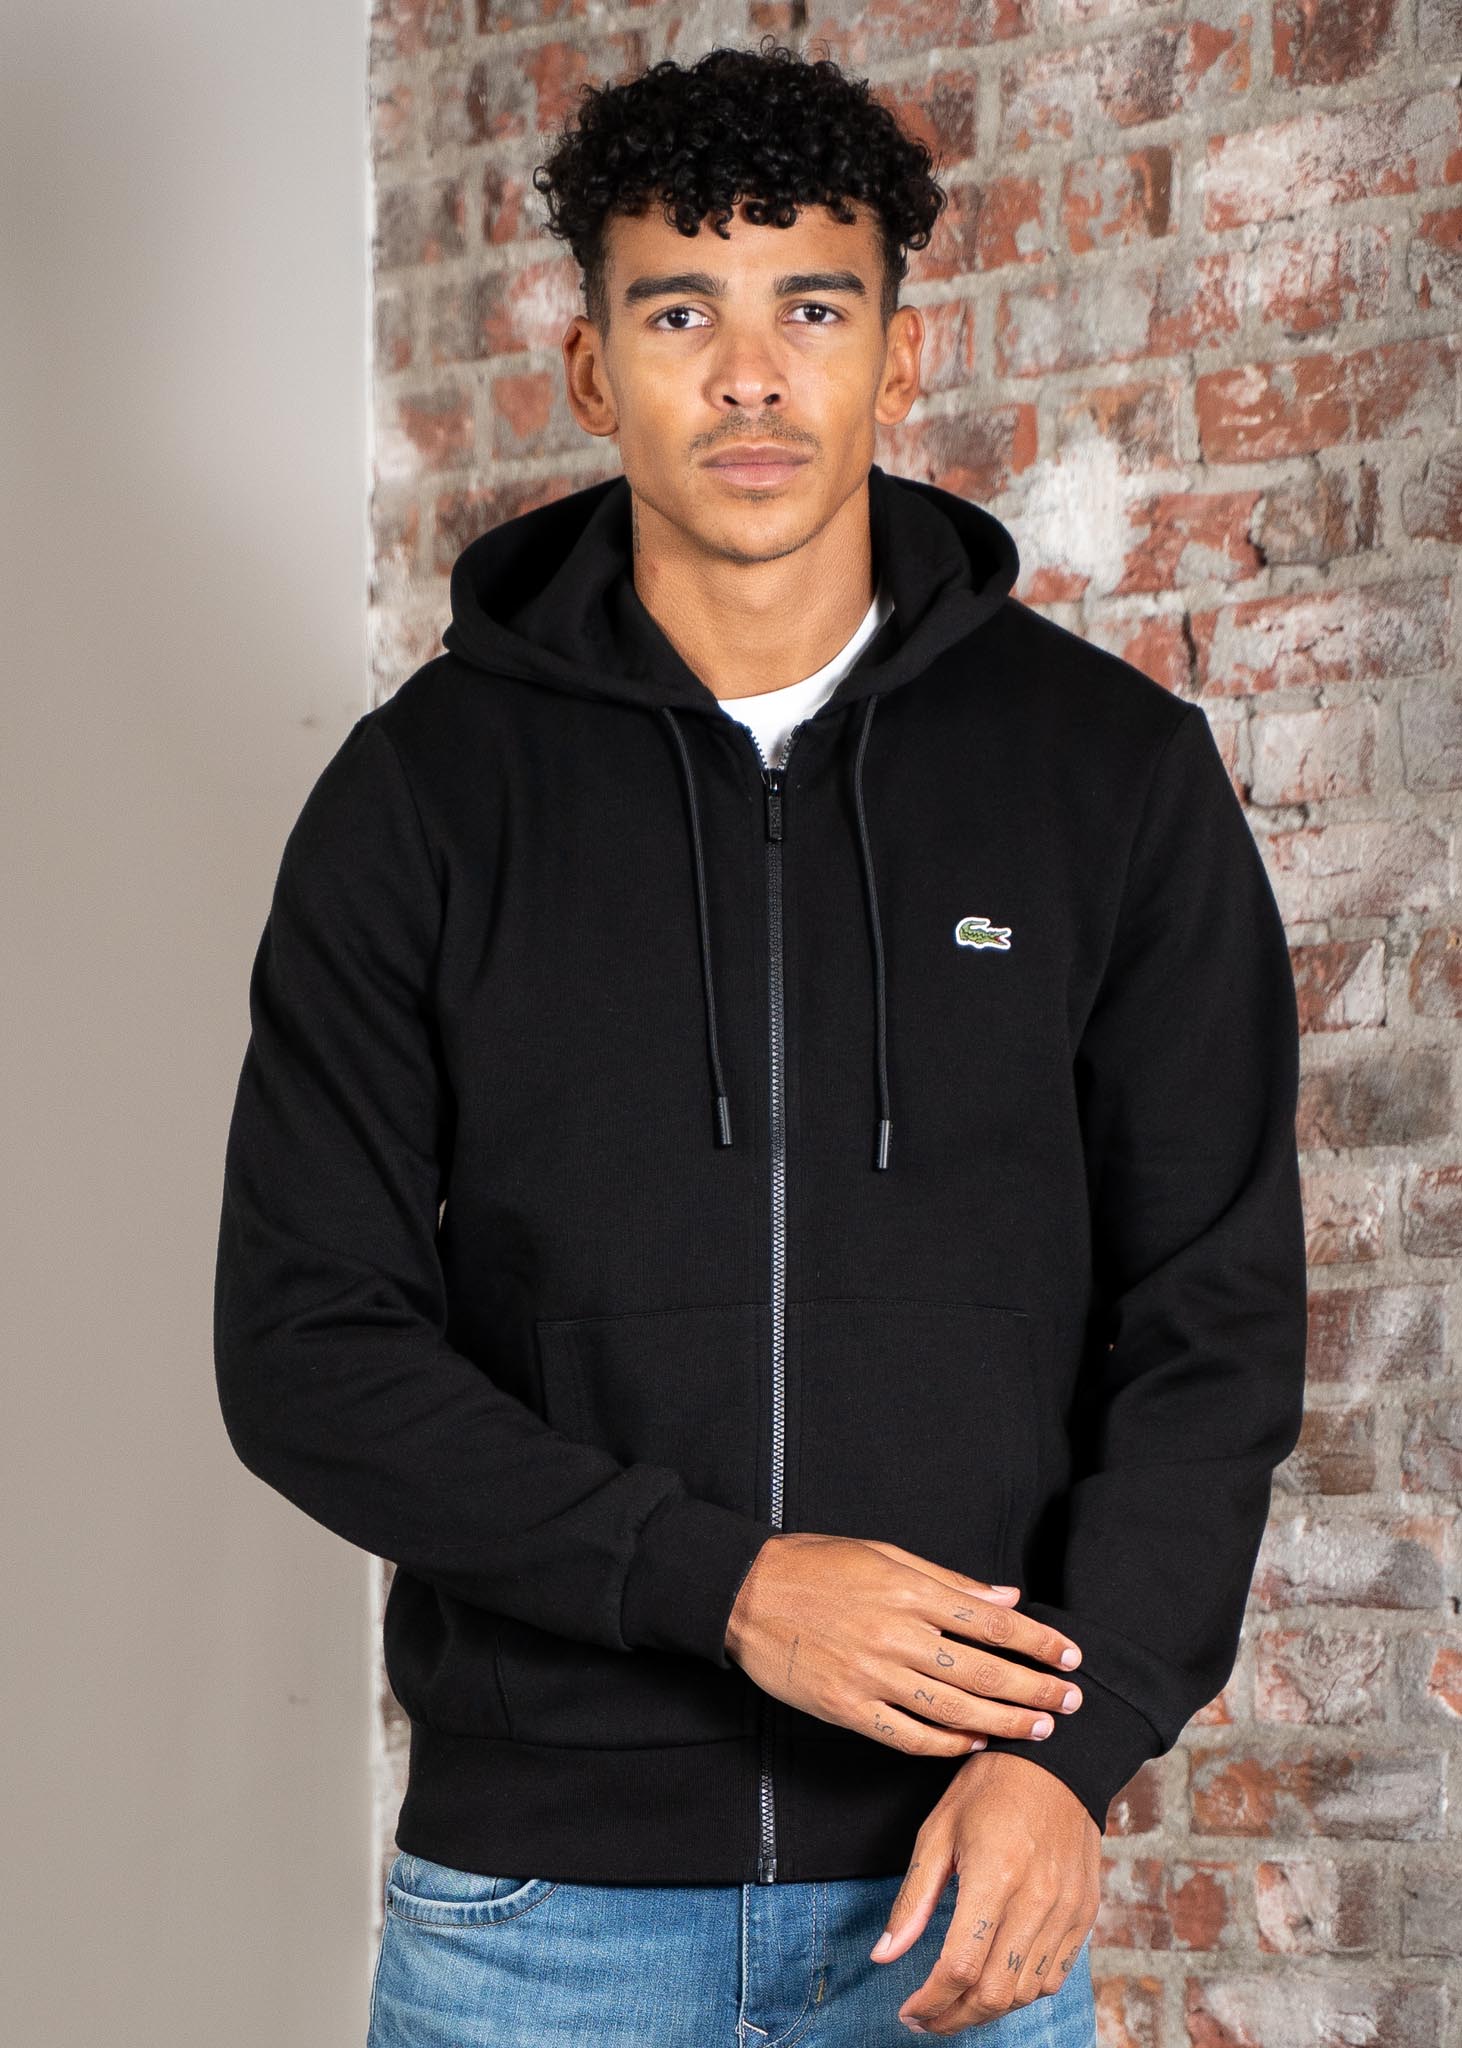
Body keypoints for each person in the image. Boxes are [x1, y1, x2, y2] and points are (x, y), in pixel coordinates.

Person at [212, 36, 1308, 2046]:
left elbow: (1209, 1321)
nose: (747, 377)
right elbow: (306, 1347)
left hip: (955, 1888)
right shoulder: (422, 797)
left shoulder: (1106, 777)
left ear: (899, 354)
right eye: (676, 313)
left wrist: (1074, 1753)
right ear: (588, 369)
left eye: (809, 309)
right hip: (537, 1917)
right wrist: (719, 1582)